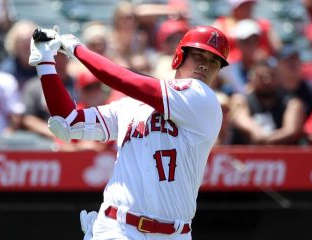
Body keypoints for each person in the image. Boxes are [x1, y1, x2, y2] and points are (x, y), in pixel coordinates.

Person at [29, 24, 229, 239]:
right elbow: (68, 122)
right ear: (179, 57)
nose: (205, 65)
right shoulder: (131, 106)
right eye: (199, 56)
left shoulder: (204, 101)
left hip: (174, 233)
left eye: (214, 61)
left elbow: (124, 80)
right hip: (117, 227)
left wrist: (78, 49)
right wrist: (45, 62)